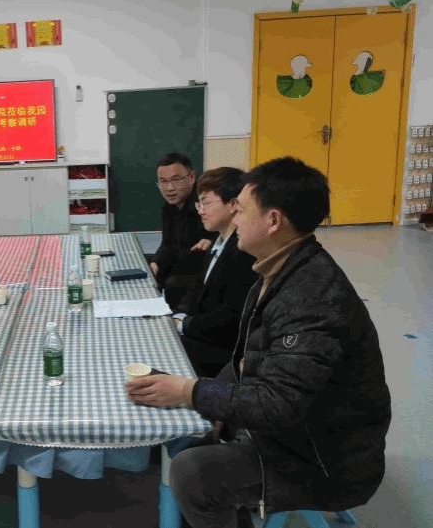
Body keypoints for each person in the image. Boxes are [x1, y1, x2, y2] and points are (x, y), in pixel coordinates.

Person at [126, 157, 391, 528]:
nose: (234, 220)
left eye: (241, 210)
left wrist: (191, 391)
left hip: (323, 461)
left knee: (193, 473)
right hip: (291, 435)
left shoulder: (311, 298)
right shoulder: (277, 269)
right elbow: (244, 361)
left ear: (273, 221)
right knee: (187, 428)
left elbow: (275, 404)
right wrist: (208, 402)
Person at [171, 167, 258, 378]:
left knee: (165, 349)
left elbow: (230, 317)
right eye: (198, 203)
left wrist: (184, 325)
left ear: (232, 204)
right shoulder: (218, 242)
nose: (200, 210)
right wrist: (180, 314)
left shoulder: (243, 252)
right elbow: (198, 286)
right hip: (204, 333)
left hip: (224, 350)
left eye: (206, 203)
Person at [150, 153, 217, 308]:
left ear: (191, 178)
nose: (170, 188)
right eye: (163, 181)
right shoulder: (168, 208)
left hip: (203, 275)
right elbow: (167, 243)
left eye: (176, 180)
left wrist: (212, 242)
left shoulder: (205, 205)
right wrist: (156, 262)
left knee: (172, 283)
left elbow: (227, 237)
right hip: (180, 268)